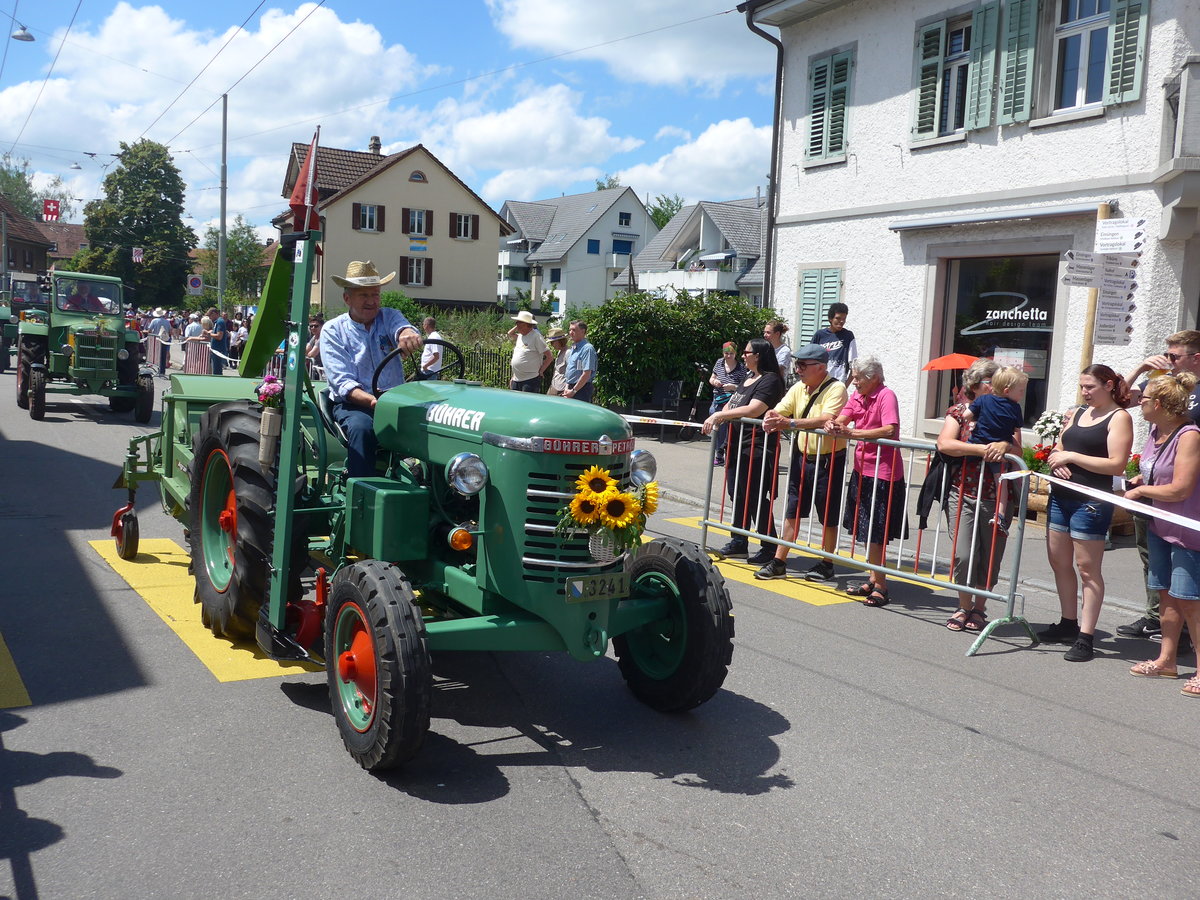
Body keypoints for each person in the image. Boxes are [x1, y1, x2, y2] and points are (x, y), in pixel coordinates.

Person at [1035, 365, 1134, 661]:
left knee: (1088, 569)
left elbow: (1117, 464)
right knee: (1059, 561)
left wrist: (1072, 457)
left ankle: (1086, 636)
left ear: (1108, 385)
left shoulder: (1119, 417)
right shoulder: (1079, 412)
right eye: (1082, 387)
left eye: (1090, 387)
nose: (1085, 392)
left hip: (1090, 501)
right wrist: (1057, 460)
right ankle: (1068, 622)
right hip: (1061, 497)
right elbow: (1059, 448)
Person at [1117, 330, 1200, 647]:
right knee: (1155, 566)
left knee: (1188, 584)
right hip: (1157, 494)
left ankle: (1184, 640)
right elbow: (1121, 398)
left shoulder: (1186, 422)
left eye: (1174, 356)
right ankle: (1160, 625)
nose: (1168, 362)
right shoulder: (1162, 387)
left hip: (1187, 501)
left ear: (1196, 358)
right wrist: (1140, 369)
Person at [1124, 372, 1200, 693]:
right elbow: (1154, 470)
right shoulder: (1155, 430)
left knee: (1190, 600)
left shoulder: (1190, 435)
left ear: (1158, 404)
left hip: (1186, 527)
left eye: (1142, 399)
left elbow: (1182, 488)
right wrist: (1142, 482)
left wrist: (1143, 493)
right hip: (1159, 523)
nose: (1138, 403)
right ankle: (1166, 660)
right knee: (1165, 593)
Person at [936, 359, 1020, 634]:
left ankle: (980, 608)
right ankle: (962, 604)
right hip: (963, 490)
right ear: (977, 385)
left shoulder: (1007, 409)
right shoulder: (960, 412)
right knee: (962, 554)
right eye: (990, 381)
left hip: (996, 495)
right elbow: (945, 444)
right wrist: (981, 450)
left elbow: (1019, 451)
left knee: (990, 557)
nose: (996, 386)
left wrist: (1005, 444)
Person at [319, 260, 421, 479]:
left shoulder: (389, 316)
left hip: (395, 402)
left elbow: (401, 327)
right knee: (362, 428)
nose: (371, 301)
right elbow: (343, 383)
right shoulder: (333, 331)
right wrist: (375, 402)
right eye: (363, 295)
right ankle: (361, 493)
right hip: (356, 405)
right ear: (347, 298)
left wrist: (406, 334)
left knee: (432, 421)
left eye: (375, 294)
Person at [755, 344, 848, 580]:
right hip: (801, 456)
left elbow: (827, 418)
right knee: (792, 509)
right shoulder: (799, 387)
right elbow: (780, 410)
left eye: (803, 365)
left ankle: (827, 563)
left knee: (827, 514)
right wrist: (771, 417)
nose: (798, 370)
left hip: (828, 460)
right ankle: (779, 561)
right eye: (797, 365)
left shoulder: (836, 388)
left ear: (821, 367)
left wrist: (790, 423)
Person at [822, 355, 906, 603]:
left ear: (874, 378)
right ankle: (873, 579)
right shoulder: (858, 395)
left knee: (877, 532)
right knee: (867, 530)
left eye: (858, 377)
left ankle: (881, 585)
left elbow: (890, 429)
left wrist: (853, 432)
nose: (854, 381)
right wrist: (833, 425)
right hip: (862, 469)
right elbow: (842, 418)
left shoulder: (885, 395)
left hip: (884, 472)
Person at [703, 338, 786, 563]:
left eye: (746, 352)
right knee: (737, 494)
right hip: (736, 443)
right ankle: (739, 540)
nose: (742, 356)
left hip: (757, 446)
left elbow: (753, 409)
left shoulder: (770, 380)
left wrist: (720, 415)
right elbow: (733, 402)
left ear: (758, 355)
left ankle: (769, 545)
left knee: (756, 497)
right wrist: (724, 412)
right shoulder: (749, 377)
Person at [962, 365, 1028, 526]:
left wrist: (977, 418)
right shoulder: (1015, 407)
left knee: (964, 465)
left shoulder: (983, 400)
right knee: (1002, 482)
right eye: (1020, 391)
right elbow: (1015, 428)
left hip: (977, 442)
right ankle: (1000, 514)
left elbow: (966, 416)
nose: (1022, 394)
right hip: (999, 450)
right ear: (1007, 391)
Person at [708, 342, 748, 468]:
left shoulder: (741, 368)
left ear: (736, 353)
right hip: (717, 398)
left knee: (725, 427)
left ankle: (722, 453)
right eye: (726, 353)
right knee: (716, 424)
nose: (728, 356)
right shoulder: (719, 363)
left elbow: (745, 387)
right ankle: (719, 452)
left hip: (731, 401)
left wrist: (733, 387)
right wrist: (714, 381)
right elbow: (711, 378)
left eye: (731, 353)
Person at [811, 302, 858, 384]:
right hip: (818, 383)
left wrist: (845, 386)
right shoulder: (819, 335)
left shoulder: (848, 336)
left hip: (838, 384)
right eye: (838, 318)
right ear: (830, 318)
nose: (841, 321)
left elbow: (854, 365)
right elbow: (810, 360)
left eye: (844, 318)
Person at [507, 310, 552, 392]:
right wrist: (513, 377)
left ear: (527, 324)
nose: (517, 324)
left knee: (527, 404)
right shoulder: (520, 336)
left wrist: (541, 371)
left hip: (530, 380)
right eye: (516, 322)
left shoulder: (536, 336)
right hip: (516, 379)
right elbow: (510, 333)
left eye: (519, 323)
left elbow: (549, 356)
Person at [564, 320, 597, 402]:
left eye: (574, 330)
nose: (571, 333)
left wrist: (574, 391)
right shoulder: (574, 348)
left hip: (581, 390)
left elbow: (586, 374)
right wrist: (567, 387)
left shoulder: (587, 349)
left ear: (583, 331)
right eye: (570, 330)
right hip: (571, 388)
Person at [416, 316, 442, 380]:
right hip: (430, 371)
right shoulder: (435, 336)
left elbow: (436, 356)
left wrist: (425, 366)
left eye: (423, 325)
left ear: (426, 325)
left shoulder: (433, 337)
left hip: (429, 371)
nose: (423, 327)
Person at [147, 307, 171, 376]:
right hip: (164, 339)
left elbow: (150, 330)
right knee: (163, 355)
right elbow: (170, 331)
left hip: (156, 339)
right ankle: (162, 371)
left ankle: (158, 369)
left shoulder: (154, 321)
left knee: (156, 355)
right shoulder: (167, 321)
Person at [546, 327, 569, 395]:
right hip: (554, 385)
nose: (551, 345)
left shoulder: (568, 353)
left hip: (561, 388)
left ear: (560, 341)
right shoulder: (560, 352)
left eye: (553, 342)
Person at [208, 307, 229, 376]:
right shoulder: (217, 322)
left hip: (218, 349)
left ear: (214, 314)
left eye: (210, 316)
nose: (209, 318)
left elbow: (219, 336)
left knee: (217, 370)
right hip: (216, 349)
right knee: (216, 369)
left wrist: (209, 334)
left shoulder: (220, 322)